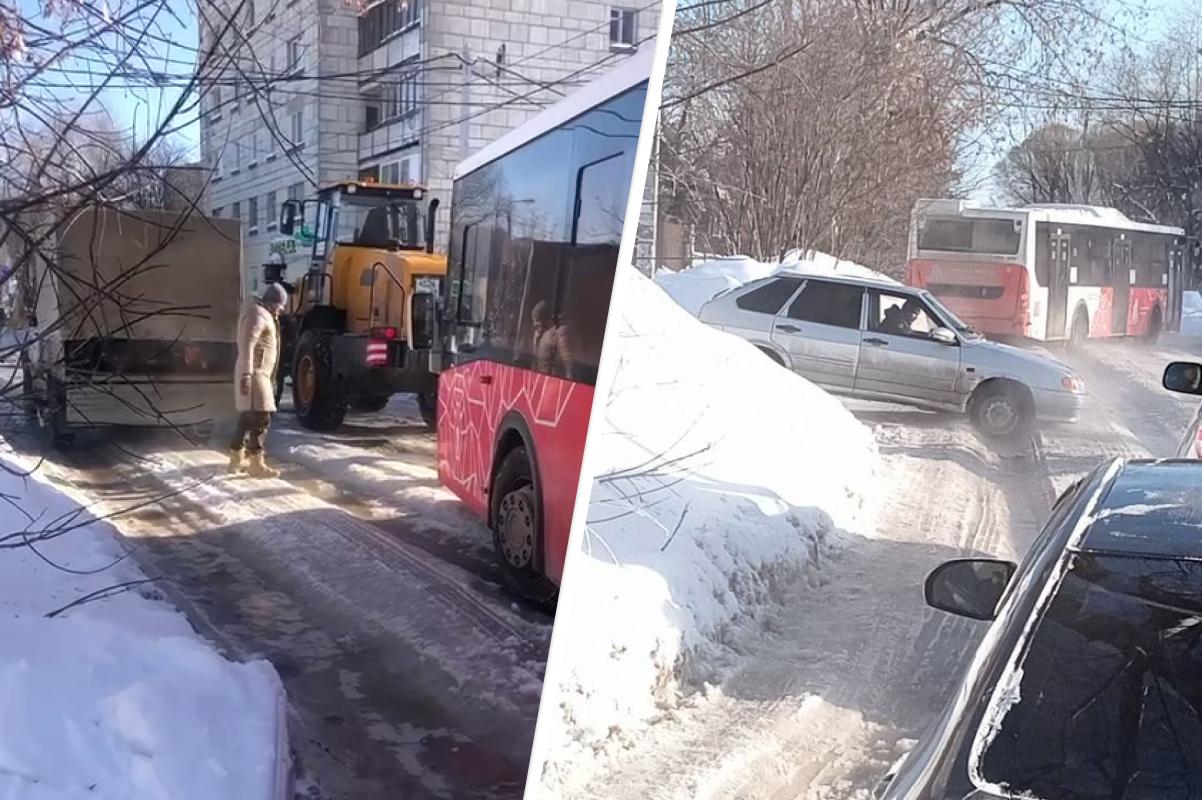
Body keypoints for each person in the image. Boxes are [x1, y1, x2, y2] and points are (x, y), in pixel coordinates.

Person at [229, 282, 287, 477]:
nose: (280, 311)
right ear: (272, 303)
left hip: (256, 374)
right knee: (261, 419)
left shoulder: (260, 314)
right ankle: (256, 463)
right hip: (255, 375)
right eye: (279, 306)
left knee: (247, 419)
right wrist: (247, 374)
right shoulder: (259, 315)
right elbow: (248, 345)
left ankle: (236, 459)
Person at [531, 300, 572, 376]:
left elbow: (568, 362)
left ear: (545, 319)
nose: (535, 324)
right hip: (539, 380)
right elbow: (535, 359)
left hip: (553, 381)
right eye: (534, 321)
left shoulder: (559, 332)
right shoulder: (538, 335)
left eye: (537, 320)